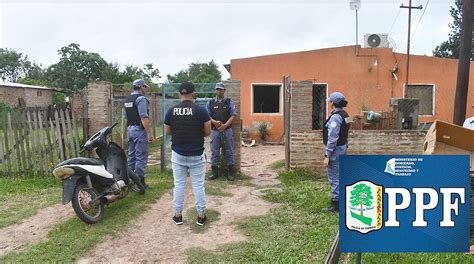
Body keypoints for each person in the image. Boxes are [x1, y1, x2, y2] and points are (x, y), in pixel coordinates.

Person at [164, 81, 211, 226]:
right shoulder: (202, 111)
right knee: (198, 185)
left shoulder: (171, 111)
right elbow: (208, 132)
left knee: (179, 185)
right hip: (196, 154)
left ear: (180, 94)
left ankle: (178, 215)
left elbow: (167, 131)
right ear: (194, 93)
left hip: (178, 154)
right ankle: (201, 216)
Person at [322, 92, 350, 212]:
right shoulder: (345, 115)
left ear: (333, 103)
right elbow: (346, 134)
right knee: (340, 176)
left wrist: (327, 155)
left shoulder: (335, 117)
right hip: (342, 149)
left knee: (334, 177)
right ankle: (341, 200)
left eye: (330, 101)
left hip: (335, 151)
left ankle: (336, 203)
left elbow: (332, 138)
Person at [124, 79, 154, 189]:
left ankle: (129, 180)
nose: (145, 89)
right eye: (144, 87)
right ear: (141, 87)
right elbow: (143, 117)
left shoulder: (127, 99)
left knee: (131, 155)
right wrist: (149, 134)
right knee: (141, 155)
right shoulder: (141, 99)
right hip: (138, 129)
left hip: (130, 129)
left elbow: (126, 117)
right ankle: (140, 182)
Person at [207, 82, 237, 181]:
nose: (219, 91)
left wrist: (225, 125)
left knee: (229, 151)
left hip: (227, 130)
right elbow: (207, 116)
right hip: (215, 131)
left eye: (221, 89)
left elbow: (233, 115)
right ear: (215, 90)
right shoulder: (210, 102)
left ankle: (230, 173)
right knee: (215, 151)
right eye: (217, 89)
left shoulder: (229, 102)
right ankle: (215, 172)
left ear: (224, 90)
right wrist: (214, 122)